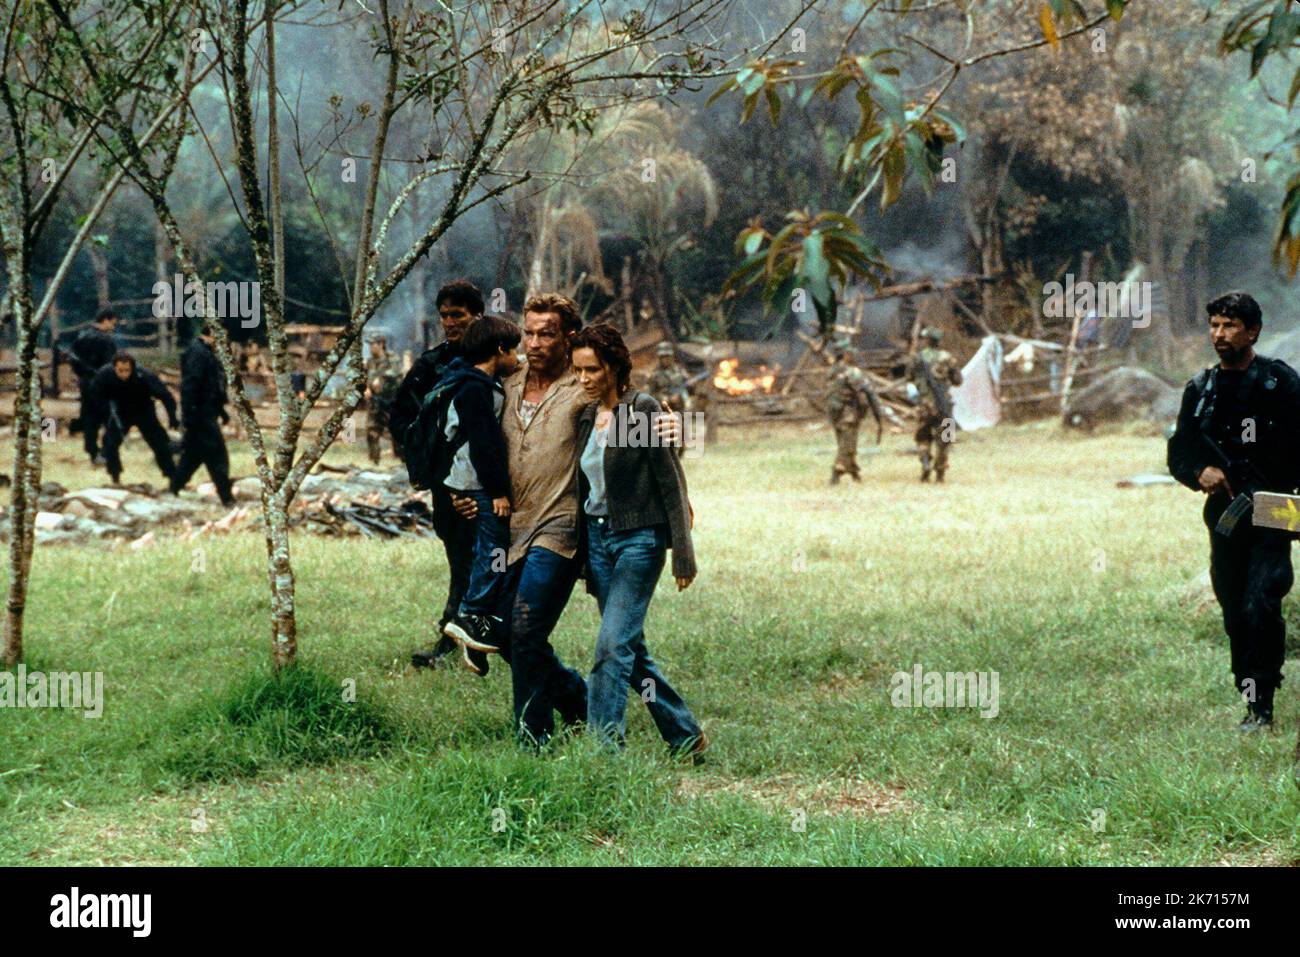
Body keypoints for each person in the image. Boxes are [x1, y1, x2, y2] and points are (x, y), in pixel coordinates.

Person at [571, 322, 706, 758]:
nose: (585, 379)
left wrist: (683, 555)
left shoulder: (639, 409)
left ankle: (604, 752)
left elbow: (671, 483)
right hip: (598, 541)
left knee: (612, 646)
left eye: (592, 370)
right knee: (632, 650)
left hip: (638, 542)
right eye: (578, 371)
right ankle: (684, 734)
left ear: (613, 367)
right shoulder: (586, 417)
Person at [1167, 291, 1300, 732]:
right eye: (1214, 325)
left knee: (1261, 602)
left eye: (1229, 326)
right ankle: (1247, 690)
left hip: (1275, 510)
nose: (1219, 335)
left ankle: (1262, 704)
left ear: (1253, 331)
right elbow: (1178, 453)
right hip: (1226, 517)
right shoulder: (1200, 390)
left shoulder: (1280, 384)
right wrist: (1199, 471)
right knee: (1233, 611)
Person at [394, 280, 484, 669]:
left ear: (476, 316)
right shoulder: (431, 365)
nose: (449, 322)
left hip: (496, 487)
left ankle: (480, 637)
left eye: (458, 315)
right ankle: (455, 638)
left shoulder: (498, 357)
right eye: (444, 315)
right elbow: (401, 417)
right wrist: (430, 472)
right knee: (461, 562)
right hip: (449, 488)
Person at [435, 316, 521, 673]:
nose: (518, 356)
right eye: (514, 349)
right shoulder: (475, 388)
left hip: (469, 483)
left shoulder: (474, 381)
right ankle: (469, 614)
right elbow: (485, 443)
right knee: (494, 549)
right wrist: (498, 491)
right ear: (500, 350)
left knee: (487, 550)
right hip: (479, 485)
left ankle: (475, 643)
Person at [85, 352, 178, 485]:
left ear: (132, 368)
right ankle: (115, 477)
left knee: (160, 444)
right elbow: (94, 395)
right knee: (110, 444)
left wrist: (172, 417)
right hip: (120, 412)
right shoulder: (105, 374)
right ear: (114, 367)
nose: (123, 374)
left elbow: (165, 396)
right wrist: (105, 414)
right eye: (120, 370)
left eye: (127, 370)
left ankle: (173, 477)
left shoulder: (144, 375)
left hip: (143, 411)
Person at [170, 328, 234, 507]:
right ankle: (227, 498)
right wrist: (189, 416)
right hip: (199, 415)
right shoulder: (198, 353)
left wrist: (221, 410)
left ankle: (174, 488)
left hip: (204, 413)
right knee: (217, 456)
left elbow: (210, 387)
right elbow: (191, 386)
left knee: (193, 456)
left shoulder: (204, 352)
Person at [908, 327, 962, 482]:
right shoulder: (948, 358)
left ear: (926, 340)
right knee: (945, 439)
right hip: (944, 405)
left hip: (924, 404)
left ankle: (925, 463)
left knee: (922, 437)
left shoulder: (917, 358)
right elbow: (958, 381)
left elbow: (909, 377)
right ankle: (940, 473)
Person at [826, 338, 881, 485]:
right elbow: (869, 392)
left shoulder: (832, 371)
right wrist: (879, 415)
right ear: (845, 354)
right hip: (847, 413)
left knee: (846, 443)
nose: (852, 355)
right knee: (847, 443)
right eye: (850, 353)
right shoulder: (852, 372)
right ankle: (837, 471)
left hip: (834, 413)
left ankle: (854, 472)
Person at [68, 309, 119, 459]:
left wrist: (82, 375)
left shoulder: (82, 337)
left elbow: (73, 360)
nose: (113, 327)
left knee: (90, 417)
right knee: (109, 417)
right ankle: (105, 451)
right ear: (105, 320)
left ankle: (92, 450)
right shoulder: (106, 341)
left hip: (86, 383)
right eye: (112, 323)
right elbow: (111, 365)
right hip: (102, 384)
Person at [364, 335, 402, 464]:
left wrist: (380, 378)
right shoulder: (369, 362)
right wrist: (366, 388)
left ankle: (399, 459)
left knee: (396, 430)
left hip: (391, 401)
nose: (370, 347)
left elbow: (396, 372)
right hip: (375, 401)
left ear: (381, 344)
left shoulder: (392, 358)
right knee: (371, 430)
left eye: (373, 344)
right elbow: (364, 378)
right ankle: (374, 461)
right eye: (369, 344)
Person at [647, 341, 690, 415]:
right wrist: (668, 399)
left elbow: (688, 383)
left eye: (668, 356)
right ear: (659, 358)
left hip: (683, 408)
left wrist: (690, 385)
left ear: (672, 356)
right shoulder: (655, 375)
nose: (666, 359)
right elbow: (651, 396)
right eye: (663, 356)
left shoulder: (679, 369)